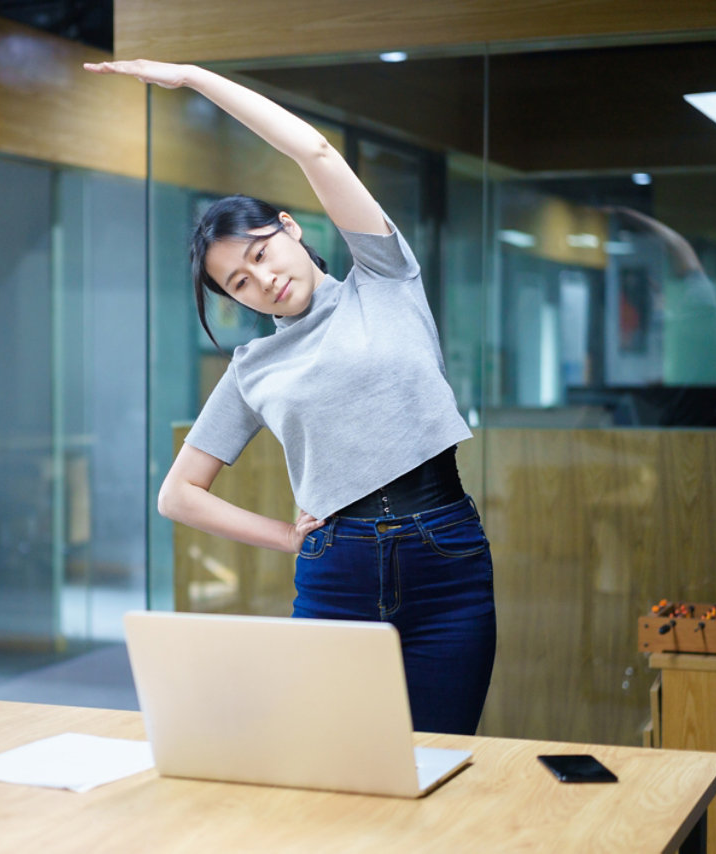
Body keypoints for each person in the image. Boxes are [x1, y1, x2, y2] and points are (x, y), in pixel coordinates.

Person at [85, 59, 495, 735]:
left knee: (442, 757)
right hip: (338, 571)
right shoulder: (253, 366)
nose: (261, 280)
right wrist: (284, 537)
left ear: (290, 227)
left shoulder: (383, 279)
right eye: (238, 283)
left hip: (445, 557)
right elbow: (178, 495)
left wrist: (194, 78)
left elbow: (315, 149)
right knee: (332, 763)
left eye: (261, 253)